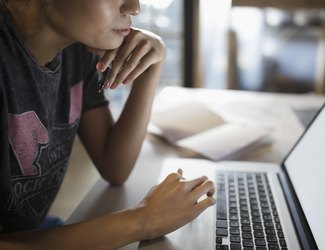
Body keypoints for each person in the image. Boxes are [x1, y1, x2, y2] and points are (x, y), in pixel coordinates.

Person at [0, 0, 216, 248]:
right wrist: (142, 221)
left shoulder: (74, 51)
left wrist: (152, 64)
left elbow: (115, 166)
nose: (134, 8)